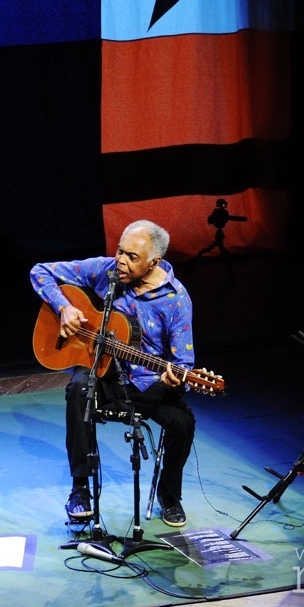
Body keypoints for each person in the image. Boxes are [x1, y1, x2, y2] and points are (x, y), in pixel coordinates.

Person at [29, 219, 196, 528]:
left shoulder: (176, 300)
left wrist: (176, 376)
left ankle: (170, 495)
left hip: (148, 383)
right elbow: (40, 271)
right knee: (78, 391)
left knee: (183, 423)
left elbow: (183, 362)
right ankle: (80, 488)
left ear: (153, 262)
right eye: (121, 251)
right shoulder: (107, 271)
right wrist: (63, 307)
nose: (121, 260)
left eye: (132, 257)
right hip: (103, 373)